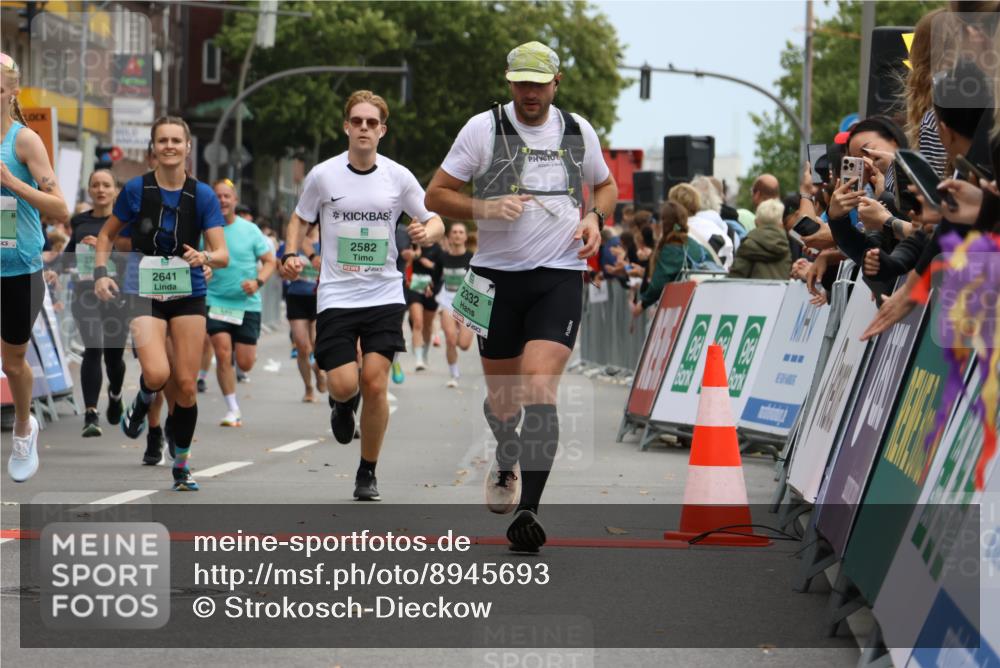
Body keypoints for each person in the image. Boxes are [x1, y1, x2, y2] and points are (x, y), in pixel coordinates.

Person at [425, 41, 616, 552]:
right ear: (509, 82)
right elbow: (435, 195)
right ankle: (505, 450)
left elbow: (605, 186)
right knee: (505, 402)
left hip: (558, 275)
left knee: (539, 390)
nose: (530, 92)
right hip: (496, 279)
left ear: (557, 83)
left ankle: (529, 507)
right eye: (521, 83)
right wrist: (484, 208)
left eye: (539, 83)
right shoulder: (483, 128)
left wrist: (595, 217)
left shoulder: (578, 130)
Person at [280, 90, 444, 501]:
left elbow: (434, 217)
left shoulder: (398, 177)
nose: (365, 128)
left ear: (382, 130)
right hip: (336, 293)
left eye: (372, 123)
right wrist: (290, 253)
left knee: (375, 382)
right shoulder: (323, 175)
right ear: (347, 127)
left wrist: (429, 230)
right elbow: (299, 219)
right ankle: (340, 404)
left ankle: (367, 471)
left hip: (384, 293)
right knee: (341, 382)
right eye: (358, 121)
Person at [94, 115, 229, 491]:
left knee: (185, 385)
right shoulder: (137, 189)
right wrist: (101, 273)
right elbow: (106, 236)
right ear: (154, 147)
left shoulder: (202, 195)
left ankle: (181, 465)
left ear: (188, 147)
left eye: (176, 140)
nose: (169, 146)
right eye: (162, 140)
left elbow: (222, 253)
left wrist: (205, 258)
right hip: (144, 291)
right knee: (155, 374)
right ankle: (140, 406)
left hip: (188, 295)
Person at [1, 53, 70, 482]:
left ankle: (25, 426)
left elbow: (60, 206)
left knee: (12, 362)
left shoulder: (23, 141)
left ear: (10, 90)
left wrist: (11, 183)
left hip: (17, 267)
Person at [64, 170, 130, 438]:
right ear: (89, 190)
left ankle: (115, 395)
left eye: (106, 185)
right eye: (95, 185)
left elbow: (133, 260)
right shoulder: (79, 221)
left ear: (115, 190)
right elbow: (70, 254)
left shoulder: (126, 223)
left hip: (117, 296)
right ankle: (91, 413)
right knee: (93, 346)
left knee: (114, 358)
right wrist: (56, 268)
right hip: (85, 294)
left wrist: (105, 250)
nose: (101, 189)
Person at [207, 179, 277, 426]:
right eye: (217, 196)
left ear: (234, 200)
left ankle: (243, 357)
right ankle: (232, 408)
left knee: (245, 362)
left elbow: (270, 261)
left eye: (226, 196)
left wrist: (258, 282)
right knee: (223, 352)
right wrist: (202, 268)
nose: (222, 200)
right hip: (215, 300)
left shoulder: (250, 230)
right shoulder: (205, 229)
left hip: (247, 304)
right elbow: (196, 257)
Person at [631, 200, 708, 316]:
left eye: (656, 220)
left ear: (664, 223)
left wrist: (642, 304)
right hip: (700, 304)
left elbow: (659, 283)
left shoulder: (671, 247)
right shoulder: (694, 244)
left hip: (680, 310)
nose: (653, 224)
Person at [278, 225, 327, 402]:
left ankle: (319, 371)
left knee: (317, 344)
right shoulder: (292, 242)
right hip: (297, 297)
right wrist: (289, 271)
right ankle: (308, 388)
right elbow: (280, 271)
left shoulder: (326, 238)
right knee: (301, 346)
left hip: (319, 297)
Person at [433, 222, 476, 387]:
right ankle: (454, 374)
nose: (457, 235)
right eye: (454, 232)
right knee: (450, 340)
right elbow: (435, 278)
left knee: (464, 345)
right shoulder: (442, 257)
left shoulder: (472, 258)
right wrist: (432, 290)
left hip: (467, 303)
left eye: (461, 232)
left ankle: (461, 336)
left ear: (465, 237)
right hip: (447, 301)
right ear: (450, 236)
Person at [728, 198, 792, 279]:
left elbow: (735, 278)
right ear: (781, 223)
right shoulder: (785, 245)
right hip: (781, 292)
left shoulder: (748, 244)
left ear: (756, 222)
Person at [406, 239, 442, 370]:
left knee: (427, 325)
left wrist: (431, 266)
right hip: (415, 288)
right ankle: (419, 359)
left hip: (431, 290)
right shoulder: (414, 245)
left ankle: (424, 352)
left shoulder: (437, 249)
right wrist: (415, 254)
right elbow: (406, 264)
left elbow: (441, 272)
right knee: (418, 322)